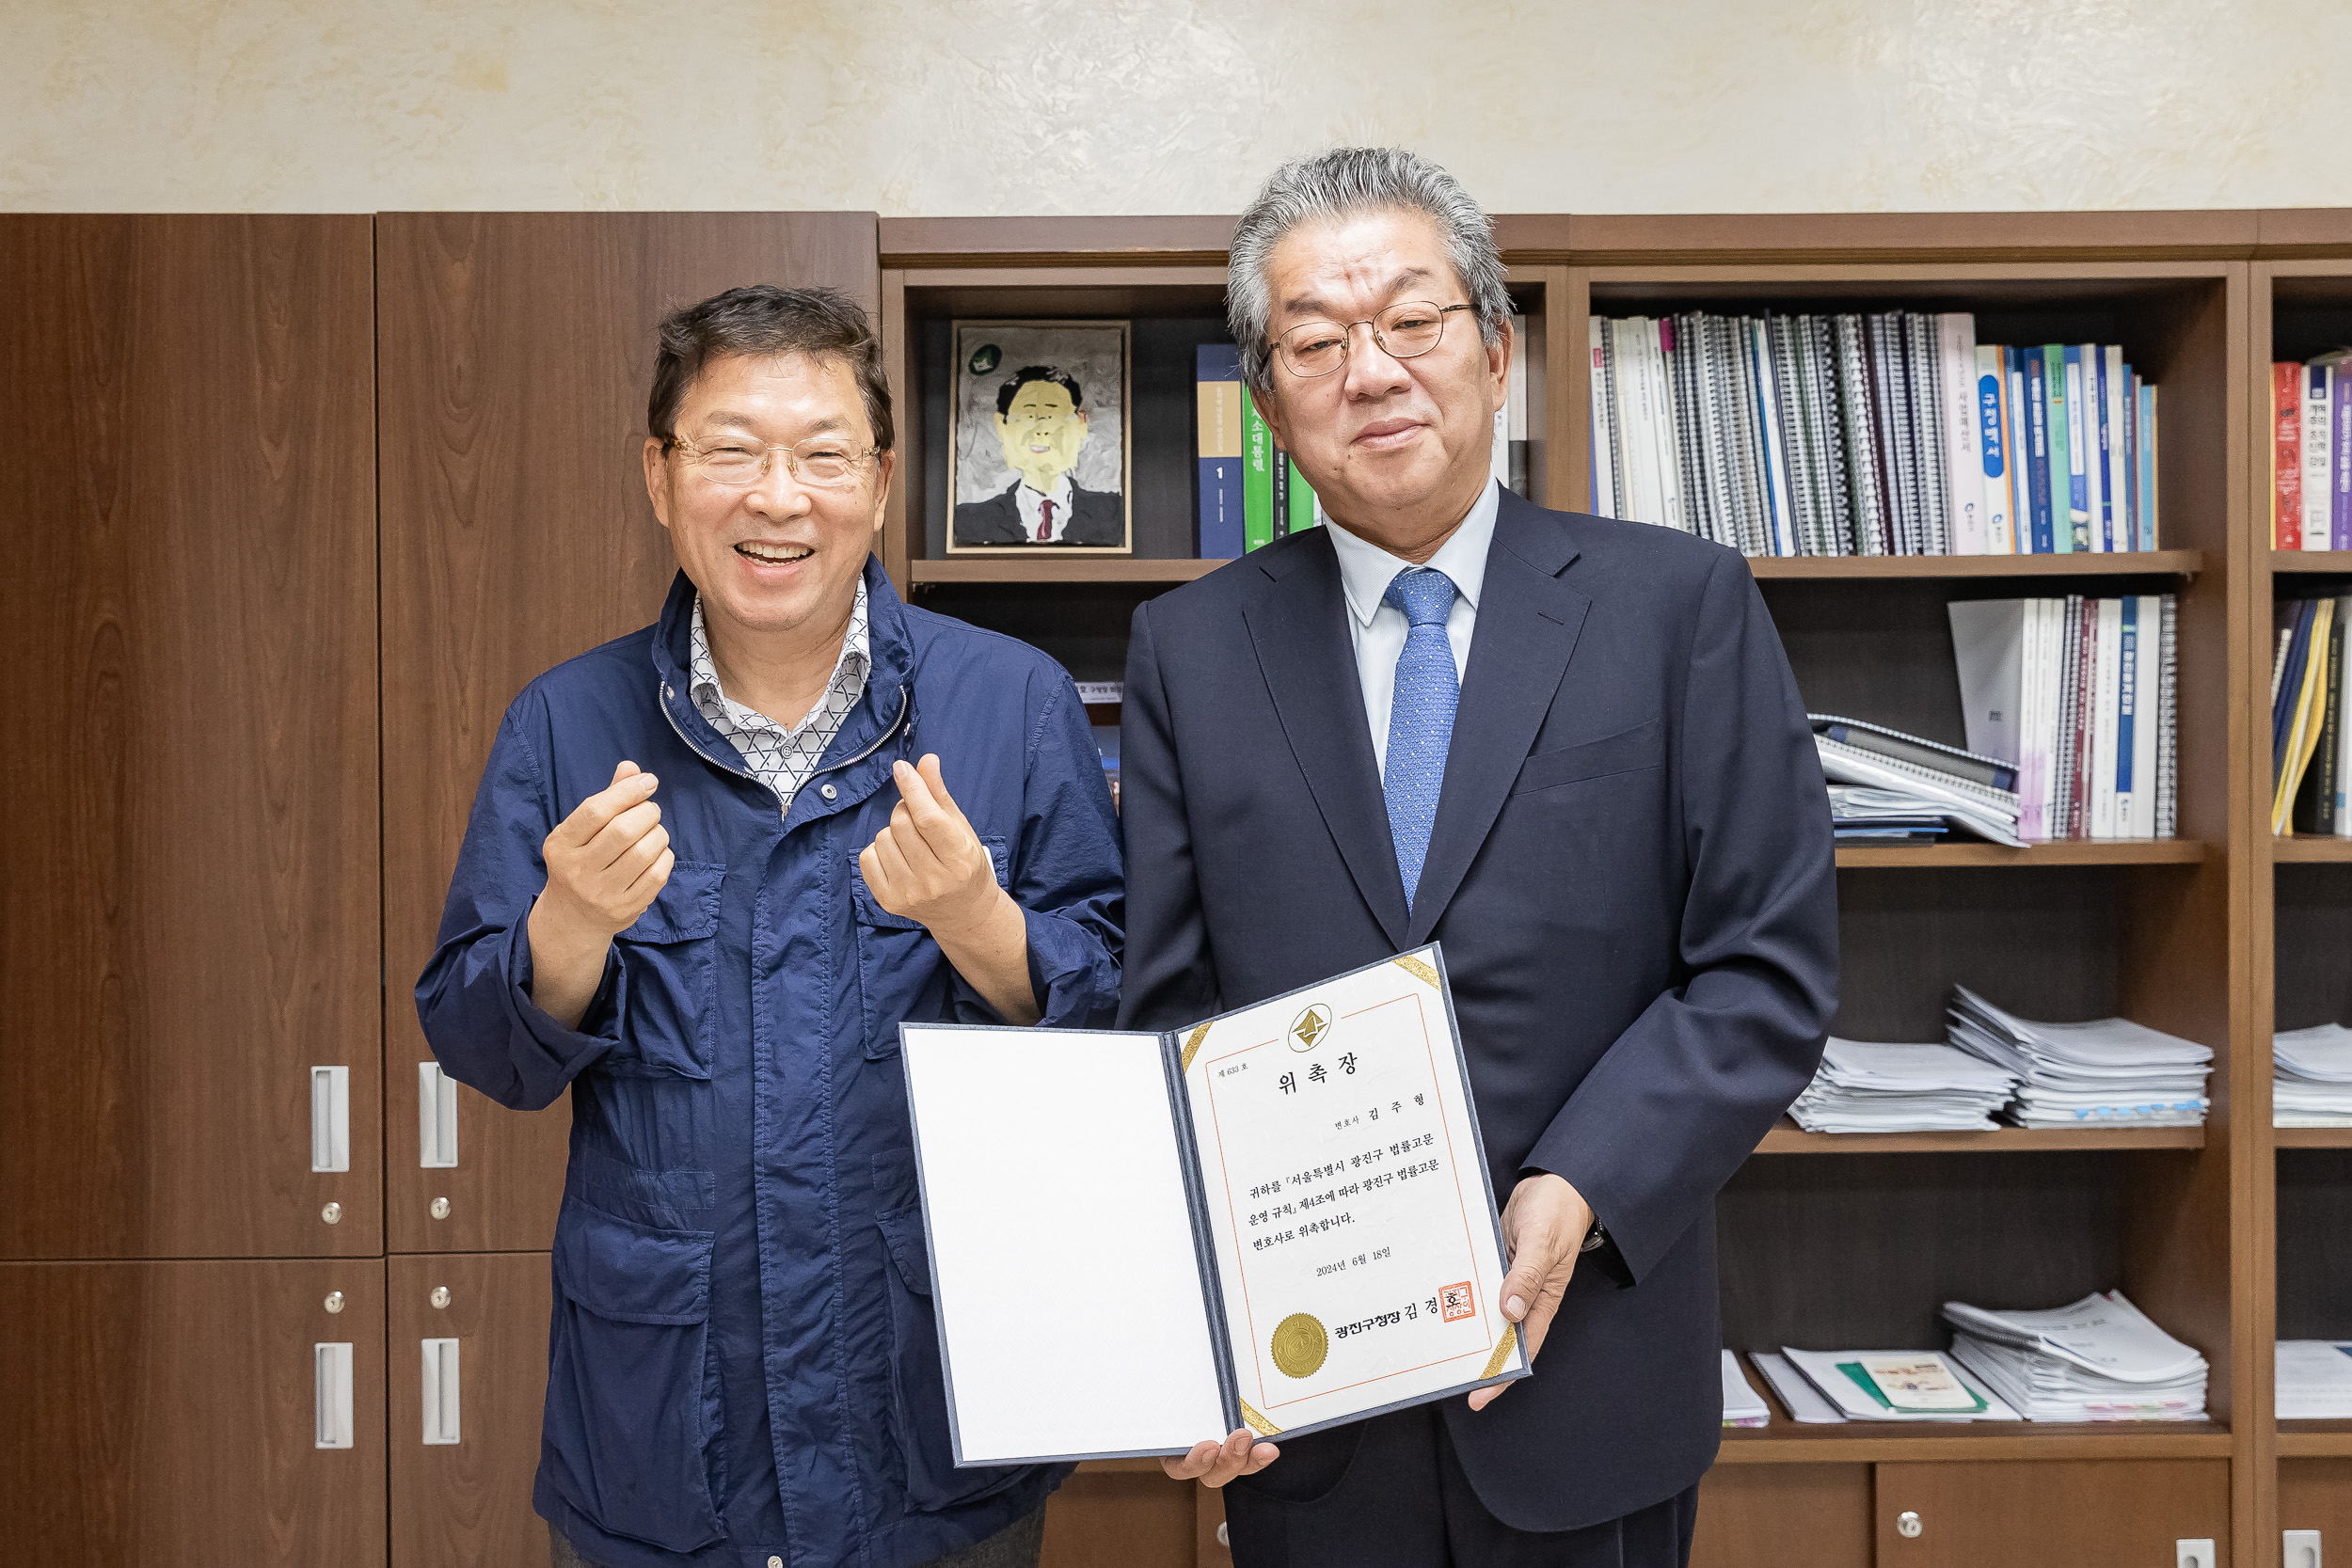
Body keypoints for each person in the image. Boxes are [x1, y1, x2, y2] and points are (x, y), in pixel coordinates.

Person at [1120, 149, 1837, 1566]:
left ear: (1497, 351)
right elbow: (1169, 1016)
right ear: (1269, 406)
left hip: (1592, 1377)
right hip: (1309, 1408)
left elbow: (1766, 967)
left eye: (1412, 320)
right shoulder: (1189, 650)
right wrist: (1191, 1329)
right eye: (1315, 342)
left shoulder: (1676, 605)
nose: (1369, 370)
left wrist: (1576, 1185)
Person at [416, 284, 1121, 1568]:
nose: (777, 496)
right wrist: (567, 926)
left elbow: (1114, 1027)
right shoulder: (566, 722)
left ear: (884, 478)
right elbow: (485, 1050)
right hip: (660, 1443)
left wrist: (978, 923)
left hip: (938, 1432)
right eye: (732, 449)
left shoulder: (1012, 702)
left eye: (822, 453)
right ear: (660, 473)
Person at [952, 366, 1124, 545]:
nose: (1041, 431)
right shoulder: (971, 520)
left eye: (1053, 416)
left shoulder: (1112, 512)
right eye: (1028, 416)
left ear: (1080, 424)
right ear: (1002, 426)